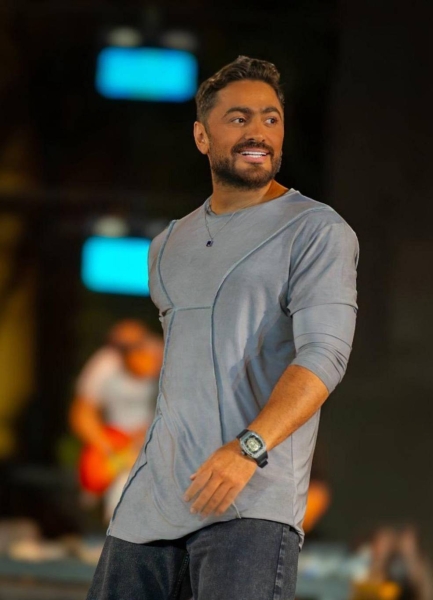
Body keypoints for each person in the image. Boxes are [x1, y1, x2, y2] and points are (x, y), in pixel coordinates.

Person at [87, 56, 359, 600]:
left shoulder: (317, 230)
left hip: (249, 503)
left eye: (271, 118)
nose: (258, 131)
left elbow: (324, 355)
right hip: (148, 508)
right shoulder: (167, 245)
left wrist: (248, 448)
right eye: (238, 118)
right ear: (201, 136)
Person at [70, 319, 163, 521]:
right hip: (116, 444)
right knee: (121, 492)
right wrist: (109, 448)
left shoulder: (161, 355)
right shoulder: (104, 364)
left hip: (158, 438)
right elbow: (82, 413)